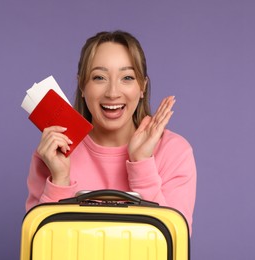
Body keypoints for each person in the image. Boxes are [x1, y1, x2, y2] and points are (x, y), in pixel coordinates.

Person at [25, 30, 197, 233]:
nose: (113, 93)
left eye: (127, 77)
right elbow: (40, 248)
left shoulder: (174, 151)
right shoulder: (53, 152)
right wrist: (60, 180)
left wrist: (141, 163)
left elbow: (172, 244)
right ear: (82, 86)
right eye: (99, 77)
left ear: (142, 86)